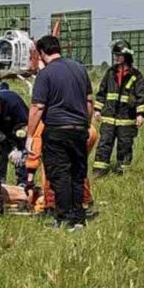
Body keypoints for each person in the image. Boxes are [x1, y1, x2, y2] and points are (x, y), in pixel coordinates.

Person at [26, 35, 94, 230]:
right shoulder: (80, 69)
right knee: (77, 173)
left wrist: (30, 135)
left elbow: (38, 106)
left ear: (41, 53)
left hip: (57, 130)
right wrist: (86, 124)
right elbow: (89, 100)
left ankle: (64, 218)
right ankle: (79, 217)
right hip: (79, 129)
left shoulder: (45, 75)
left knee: (60, 174)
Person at [93, 40, 144, 176]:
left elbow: (142, 96)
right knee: (104, 145)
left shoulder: (136, 75)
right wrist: (97, 110)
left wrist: (140, 114)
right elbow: (102, 92)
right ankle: (99, 171)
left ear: (127, 56)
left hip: (127, 119)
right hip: (109, 117)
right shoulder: (110, 73)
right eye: (115, 55)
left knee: (125, 146)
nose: (116, 58)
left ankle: (122, 173)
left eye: (119, 55)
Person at [25, 122, 98, 214]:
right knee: (77, 168)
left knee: (52, 169)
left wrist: (29, 181)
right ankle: (84, 201)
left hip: (60, 131)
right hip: (86, 129)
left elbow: (34, 152)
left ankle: (53, 205)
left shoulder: (37, 124)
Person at [0, 85, 29, 186]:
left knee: (21, 158)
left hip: (16, 130)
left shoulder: (14, 102)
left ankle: (23, 184)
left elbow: (26, 125)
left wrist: (18, 148)